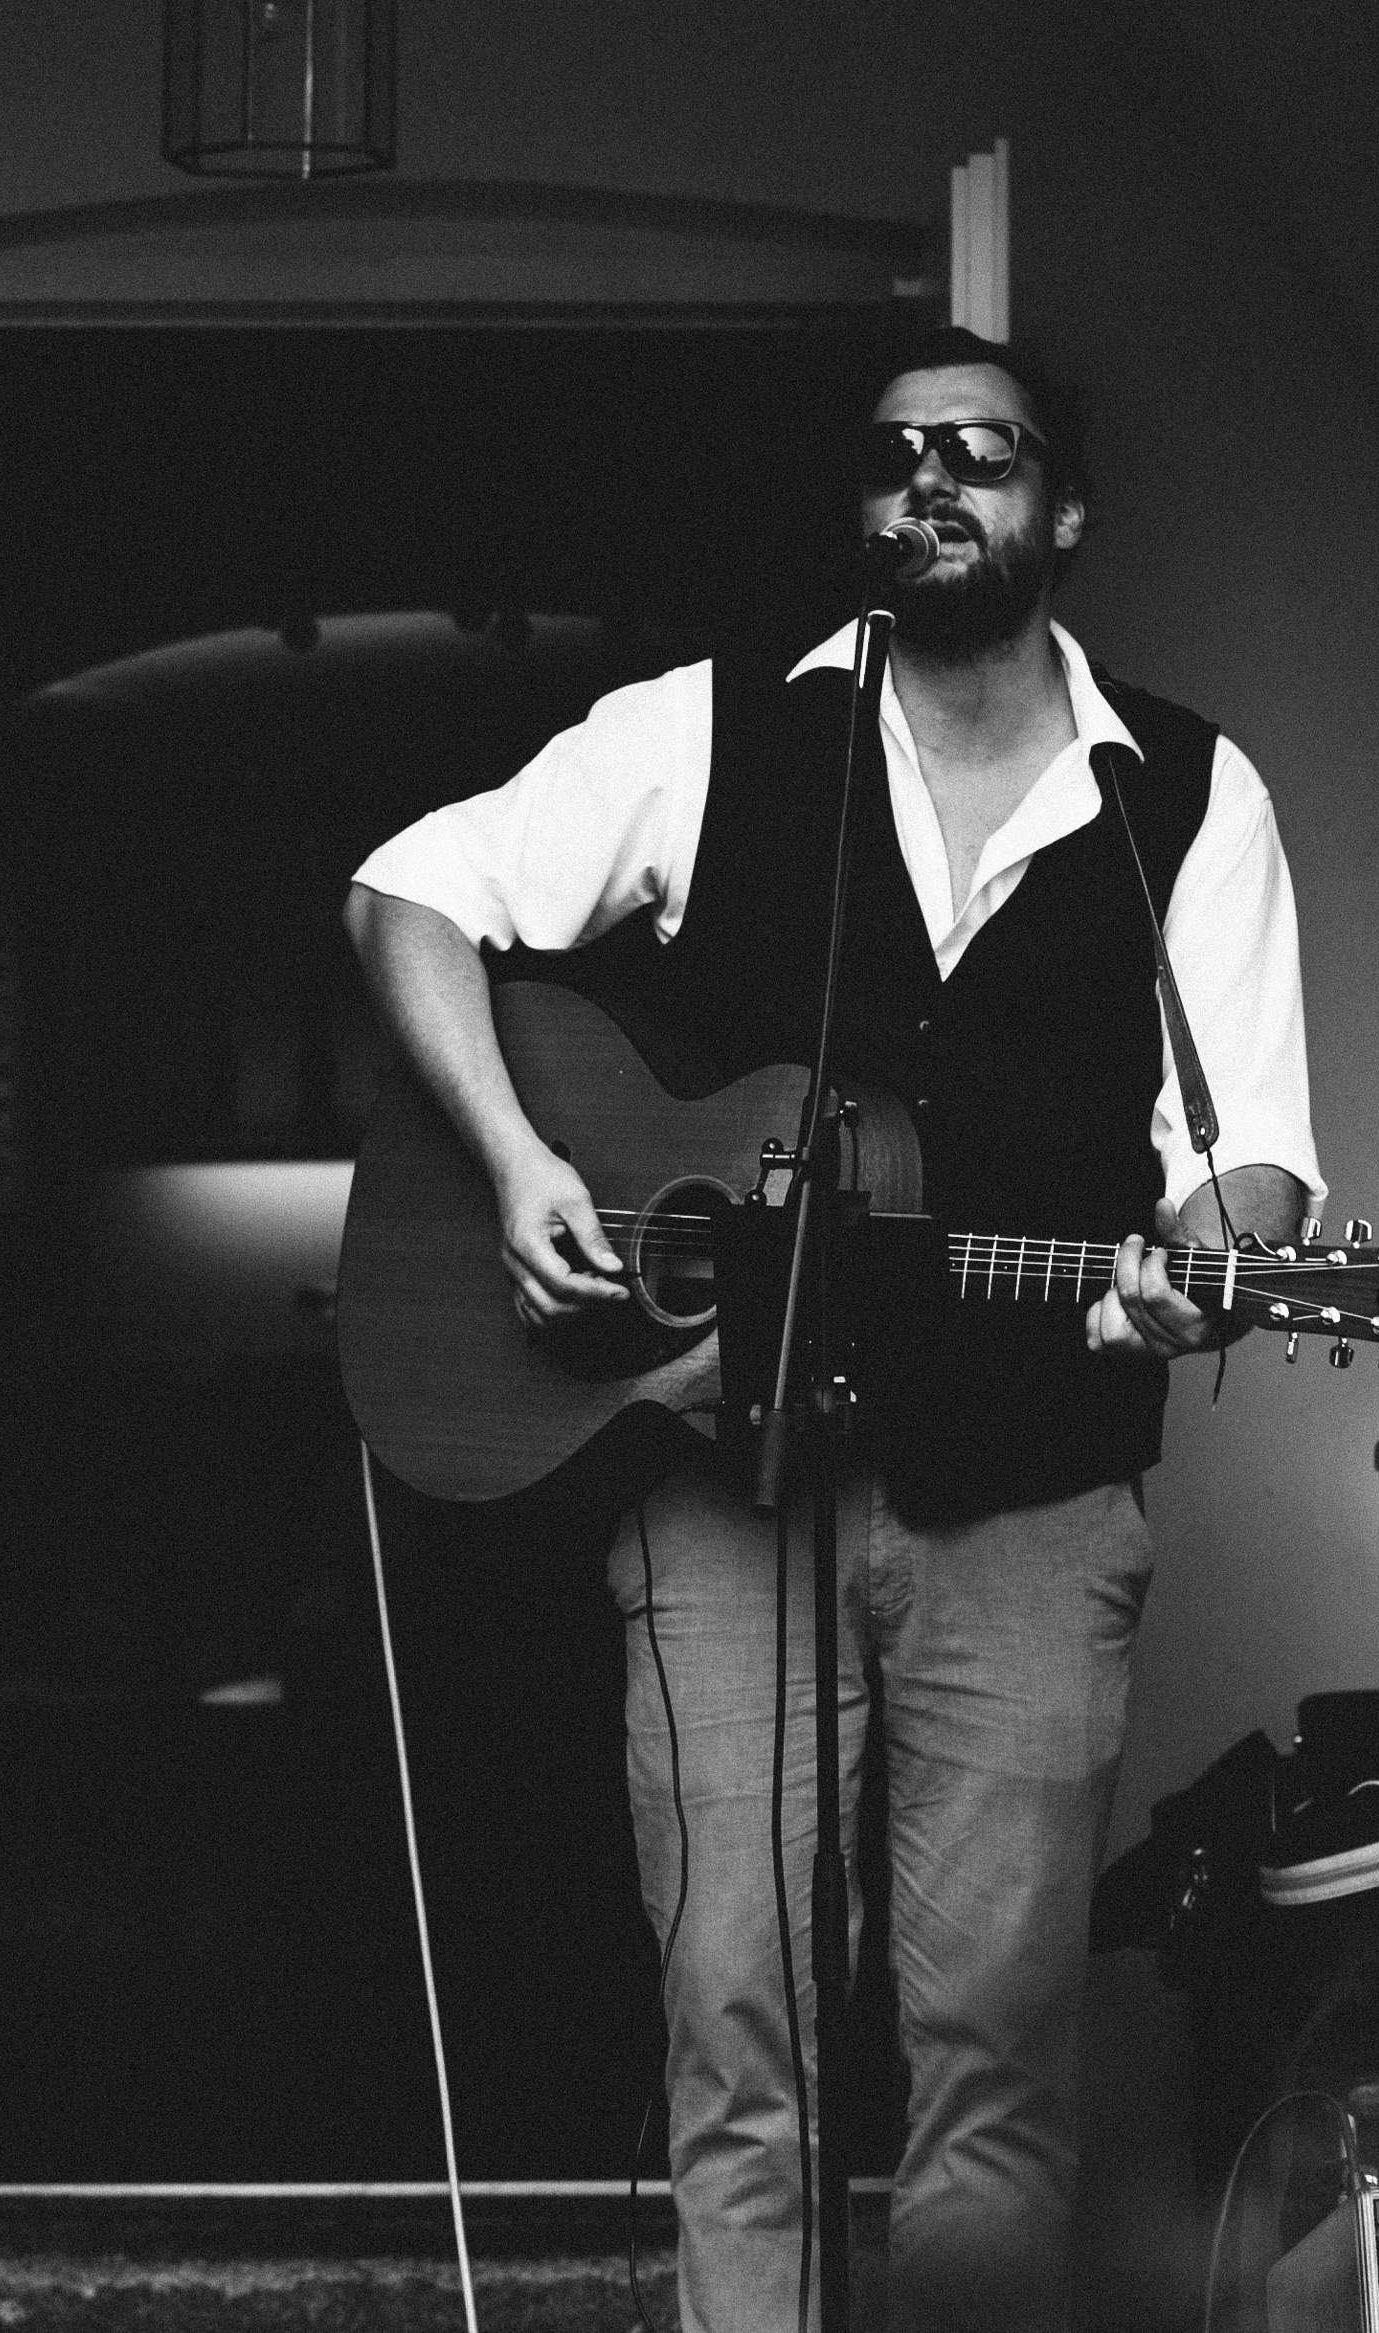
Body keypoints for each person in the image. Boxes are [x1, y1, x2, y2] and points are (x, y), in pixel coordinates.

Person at [344, 326, 1319, 2332]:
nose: (929, 480)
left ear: (1065, 509)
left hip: (1032, 1498)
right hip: (726, 1487)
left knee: (998, 2058)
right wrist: (520, 1163)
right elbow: (408, 898)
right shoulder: (706, 733)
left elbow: (1249, 1167)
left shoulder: (1191, 794)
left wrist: (1201, 1268)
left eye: (983, 449)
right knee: (736, 2037)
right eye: (894, 456)